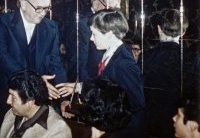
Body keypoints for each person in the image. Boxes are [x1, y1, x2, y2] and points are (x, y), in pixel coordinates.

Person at [58, 9, 146, 138]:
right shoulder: (111, 53)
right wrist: (81, 87)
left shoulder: (124, 63)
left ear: (110, 34)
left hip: (124, 132)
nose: (91, 38)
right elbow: (111, 86)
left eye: (94, 33)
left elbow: (136, 102)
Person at [0, 0, 67, 126]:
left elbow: (56, 64)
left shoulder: (51, 28)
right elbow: (3, 59)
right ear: (23, 4)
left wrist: (64, 98)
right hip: (6, 99)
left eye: (47, 8)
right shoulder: (3, 23)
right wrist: (36, 80)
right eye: (39, 8)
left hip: (36, 102)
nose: (43, 13)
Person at [142, 8, 195, 138]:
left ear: (159, 29)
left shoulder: (146, 57)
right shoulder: (192, 58)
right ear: (183, 32)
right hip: (182, 124)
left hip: (151, 124)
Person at [65, 0, 121, 82]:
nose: (113, 14)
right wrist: (85, 90)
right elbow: (78, 64)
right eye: (110, 9)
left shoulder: (114, 22)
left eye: (116, 10)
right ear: (95, 3)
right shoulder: (83, 24)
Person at [0, 70, 72, 138]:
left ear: (30, 101)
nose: (8, 101)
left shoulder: (58, 130)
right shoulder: (10, 114)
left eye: (13, 97)